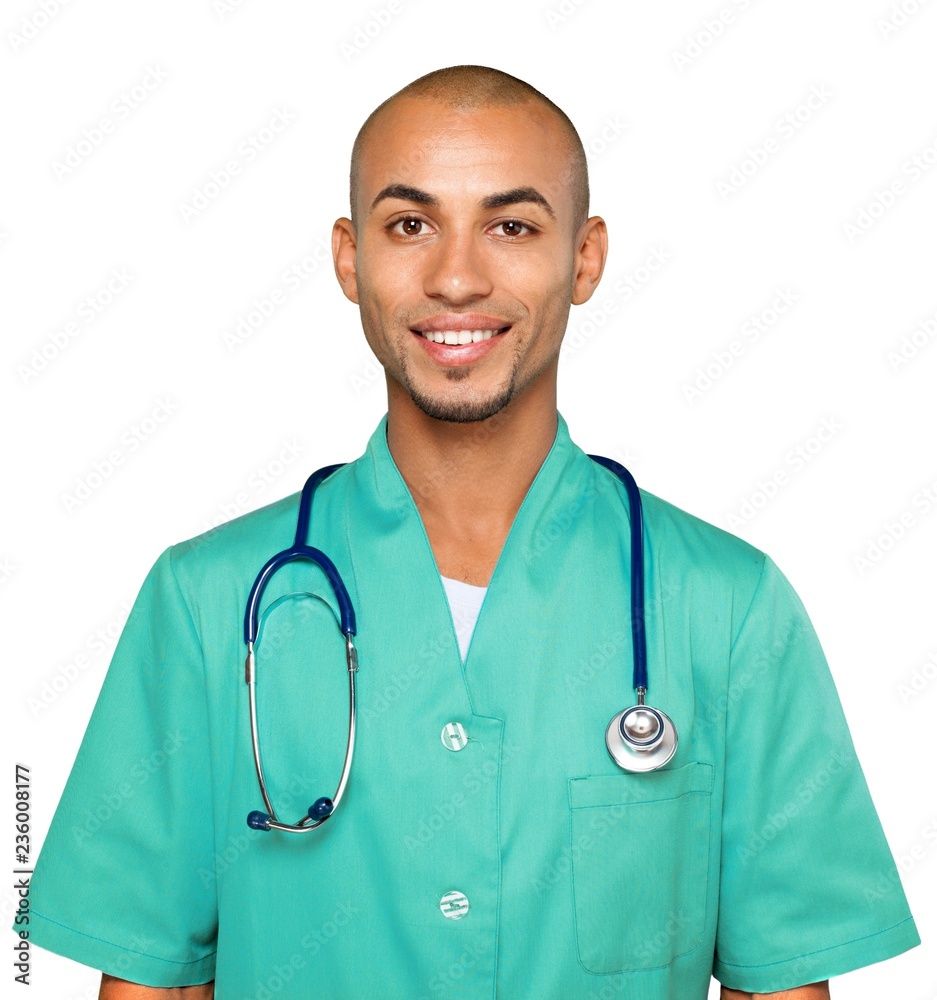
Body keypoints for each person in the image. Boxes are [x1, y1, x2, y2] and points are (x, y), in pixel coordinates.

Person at [24, 65, 919, 1000]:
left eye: (512, 226)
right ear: (348, 257)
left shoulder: (728, 608)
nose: (456, 277)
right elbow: (151, 980)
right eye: (410, 225)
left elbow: (776, 983)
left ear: (584, 258)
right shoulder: (204, 602)